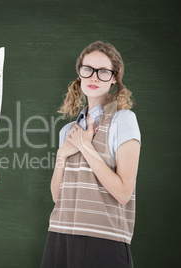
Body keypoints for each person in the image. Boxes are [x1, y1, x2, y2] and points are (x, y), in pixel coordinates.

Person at [41, 41, 141, 268]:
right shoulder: (68, 131)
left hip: (103, 241)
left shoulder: (123, 120)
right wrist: (62, 155)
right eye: (88, 70)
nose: (94, 77)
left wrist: (86, 146)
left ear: (114, 78)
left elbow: (124, 193)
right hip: (60, 236)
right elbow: (59, 198)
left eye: (103, 72)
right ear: (79, 72)